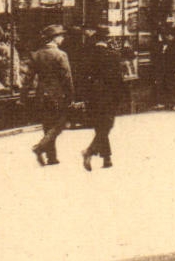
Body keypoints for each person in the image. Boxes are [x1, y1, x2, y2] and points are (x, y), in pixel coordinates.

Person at [77, 27, 127, 171]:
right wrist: (120, 97)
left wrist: (84, 96)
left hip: (93, 96)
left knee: (100, 126)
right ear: (107, 39)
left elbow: (83, 77)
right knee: (106, 126)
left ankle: (107, 158)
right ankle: (90, 151)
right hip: (109, 96)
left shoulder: (88, 55)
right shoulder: (114, 55)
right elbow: (118, 80)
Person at [27, 25, 72, 166]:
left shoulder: (36, 54)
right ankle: (40, 147)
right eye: (61, 36)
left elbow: (28, 77)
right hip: (57, 95)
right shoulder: (61, 55)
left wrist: (23, 96)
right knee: (60, 123)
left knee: (47, 124)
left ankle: (52, 157)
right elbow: (67, 78)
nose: (63, 38)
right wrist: (70, 96)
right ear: (55, 38)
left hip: (41, 94)